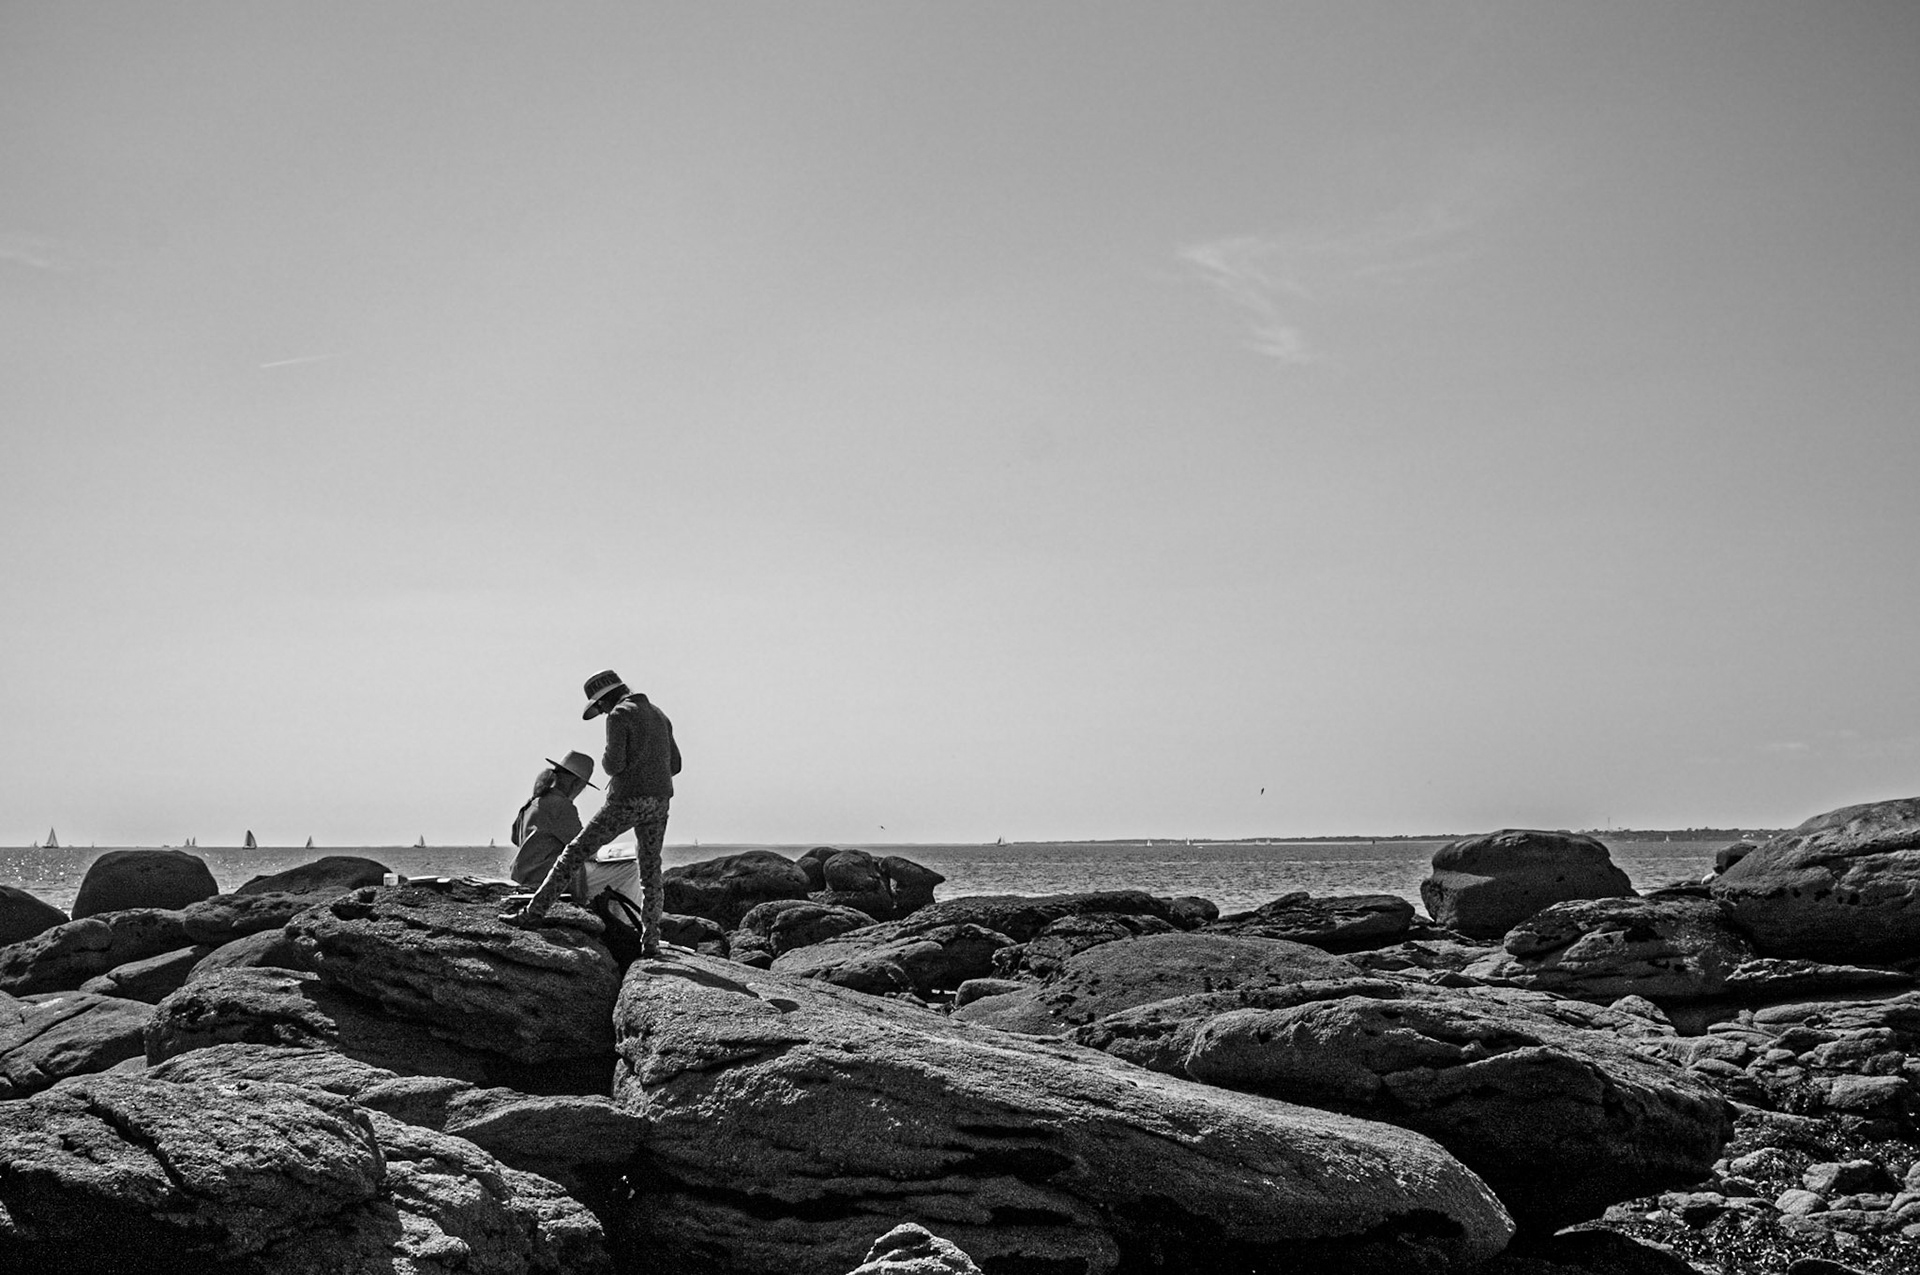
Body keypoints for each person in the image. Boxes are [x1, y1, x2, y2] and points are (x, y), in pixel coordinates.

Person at [501, 669, 681, 955]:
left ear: (605, 700)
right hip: (659, 801)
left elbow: (613, 765)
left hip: (626, 800)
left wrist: (612, 759)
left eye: (599, 708)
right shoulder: (660, 715)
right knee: (650, 872)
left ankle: (531, 915)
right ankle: (650, 942)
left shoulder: (619, 715)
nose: (601, 713)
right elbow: (676, 766)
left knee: (573, 854)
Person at [507, 750, 597, 892]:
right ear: (576, 784)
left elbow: (515, 839)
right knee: (627, 870)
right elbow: (585, 848)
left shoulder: (533, 802)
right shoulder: (562, 806)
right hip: (545, 877)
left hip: (521, 875)